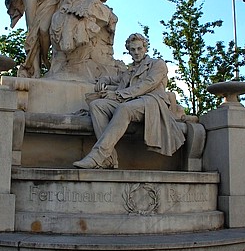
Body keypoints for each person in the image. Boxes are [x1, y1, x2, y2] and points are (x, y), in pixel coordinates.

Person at [73, 33, 185, 169]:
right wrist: (103, 80)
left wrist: (118, 95)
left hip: (151, 102)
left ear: (145, 48)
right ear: (129, 51)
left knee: (124, 108)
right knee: (97, 105)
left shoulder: (157, 64)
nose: (136, 52)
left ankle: (98, 156)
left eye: (139, 48)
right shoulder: (130, 70)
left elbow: (147, 85)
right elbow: (115, 79)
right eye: (133, 50)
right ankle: (109, 158)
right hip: (131, 101)